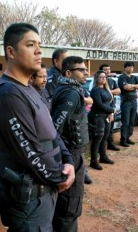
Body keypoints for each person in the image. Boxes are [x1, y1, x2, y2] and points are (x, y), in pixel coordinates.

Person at [0, 22, 75, 231]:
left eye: (39, 44)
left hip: (44, 191)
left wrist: (67, 159)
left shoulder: (29, 89)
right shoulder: (8, 94)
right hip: (29, 201)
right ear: (11, 51)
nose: (39, 50)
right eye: (30, 44)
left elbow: (51, 132)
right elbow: (30, 151)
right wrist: (59, 176)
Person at [50, 56, 89, 231]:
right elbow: (55, 129)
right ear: (68, 73)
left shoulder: (67, 88)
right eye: (81, 69)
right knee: (69, 207)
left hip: (71, 152)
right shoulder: (71, 93)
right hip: (70, 154)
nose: (86, 72)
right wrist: (66, 158)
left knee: (65, 204)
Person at [88, 70, 116, 170]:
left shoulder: (106, 89)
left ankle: (103, 157)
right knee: (97, 138)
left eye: (105, 77)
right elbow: (99, 105)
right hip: (98, 116)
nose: (104, 78)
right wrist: (112, 110)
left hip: (107, 116)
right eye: (101, 77)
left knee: (105, 137)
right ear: (97, 78)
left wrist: (111, 112)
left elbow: (110, 102)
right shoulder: (95, 90)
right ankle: (93, 161)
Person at [117, 61, 138, 147]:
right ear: (125, 68)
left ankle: (128, 137)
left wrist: (132, 86)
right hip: (126, 102)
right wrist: (134, 86)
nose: (131, 68)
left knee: (132, 121)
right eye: (129, 67)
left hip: (134, 101)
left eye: (132, 67)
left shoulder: (134, 77)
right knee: (125, 122)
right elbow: (125, 87)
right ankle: (123, 140)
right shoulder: (121, 77)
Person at [99, 63, 121, 151]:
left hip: (112, 106)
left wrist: (107, 91)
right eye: (105, 69)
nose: (108, 71)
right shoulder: (98, 81)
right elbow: (99, 93)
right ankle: (100, 147)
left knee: (110, 128)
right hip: (103, 108)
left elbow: (118, 90)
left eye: (109, 69)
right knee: (102, 129)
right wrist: (111, 92)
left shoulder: (112, 81)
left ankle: (110, 144)